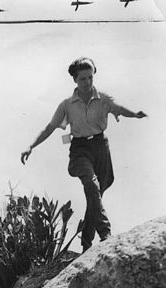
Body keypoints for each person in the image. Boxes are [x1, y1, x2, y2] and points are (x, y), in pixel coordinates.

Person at [21, 57, 147, 252]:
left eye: (90, 77)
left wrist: (135, 114)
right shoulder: (67, 105)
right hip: (80, 149)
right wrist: (31, 146)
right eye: (82, 79)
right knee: (91, 184)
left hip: (100, 147)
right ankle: (106, 233)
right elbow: (50, 127)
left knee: (95, 194)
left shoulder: (103, 98)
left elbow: (119, 108)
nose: (87, 82)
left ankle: (86, 244)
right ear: (75, 80)